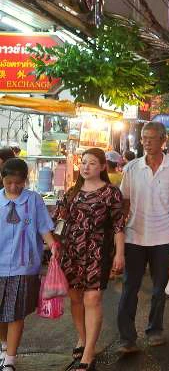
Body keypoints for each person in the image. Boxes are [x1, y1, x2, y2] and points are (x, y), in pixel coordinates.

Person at [117, 122, 169, 354]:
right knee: (130, 286)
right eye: (144, 138)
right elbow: (125, 203)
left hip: (164, 236)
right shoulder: (131, 168)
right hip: (134, 235)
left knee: (160, 287)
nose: (146, 142)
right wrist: (118, 236)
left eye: (151, 138)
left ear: (163, 141)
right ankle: (127, 337)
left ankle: (155, 329)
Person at [55, 149, 125, 371]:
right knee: (75, 298)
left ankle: (88, 353)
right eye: (84, 163)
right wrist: (54, 245)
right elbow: (60, 220)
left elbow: (119, 225)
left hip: (98, 252)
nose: (86, 167)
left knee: (92, 299)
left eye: (92, 163)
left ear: (103, 166)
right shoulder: (72, 192)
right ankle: (83, 338)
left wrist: (120, 253)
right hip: (71, 251)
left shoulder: (111, 192)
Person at [0, 158, 56, 371]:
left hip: (24, 265)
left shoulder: (33, 200)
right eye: (9, 182)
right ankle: (4, 347)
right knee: (1, 314)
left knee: (16, 313)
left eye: (18, 182)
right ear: (2, 179)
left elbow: (43, 227)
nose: (14, 187)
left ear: (26, 180)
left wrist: (53, 245)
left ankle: (10, 360)